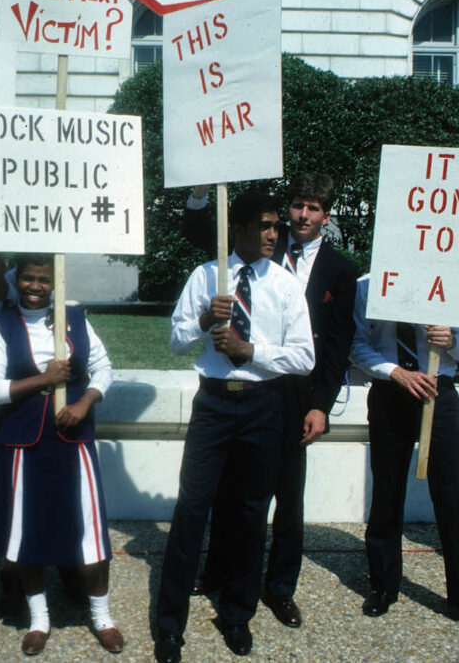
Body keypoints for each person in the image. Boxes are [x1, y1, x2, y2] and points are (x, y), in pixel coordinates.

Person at [183, 175, 357, 628]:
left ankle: (279, 588)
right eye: (298, 205)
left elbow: (335, 346)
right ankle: (219, 570)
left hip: (299, 394)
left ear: (326, 215)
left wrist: (321, 404)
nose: (302, 216)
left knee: (288, 497)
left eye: (314, 208)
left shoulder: (340, 270)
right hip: (253, 392)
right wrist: (201, 194)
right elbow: (207, 233)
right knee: (234, 491)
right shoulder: (263, 250)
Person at [154, 190, 314, 662]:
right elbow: (176, 342)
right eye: (263, 226)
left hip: (263, 405)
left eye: (275, 228)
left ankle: (237, 615)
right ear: (238, 227)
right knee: (191, 511)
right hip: (214, 405)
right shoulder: (207, 277)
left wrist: (252, 352)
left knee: (249, 515)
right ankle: (169, 624)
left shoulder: (284, 286)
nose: (272, 235)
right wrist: (206, 318)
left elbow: (305, 357)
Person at [0, 254, 124, 656]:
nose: (35, 286)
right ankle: (39, 619)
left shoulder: (74, 319)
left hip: (72, 438)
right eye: (28, 278)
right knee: (29, 532)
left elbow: (103, 367)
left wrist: (85, 402)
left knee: (89, 531)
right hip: (24, 442)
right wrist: (44, 379)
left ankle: (102, 616)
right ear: (17, 280)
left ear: (54, 282)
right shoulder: (1, 325)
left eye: (43, 279)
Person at [350, 276, 459, 638]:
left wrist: (452, 340)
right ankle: (383, 584)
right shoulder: (367, 285)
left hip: (437, 392)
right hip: (390, 391)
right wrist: (395, 372)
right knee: (386, 490)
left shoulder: (445, 281)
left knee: (452, 495)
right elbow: (357, 344)